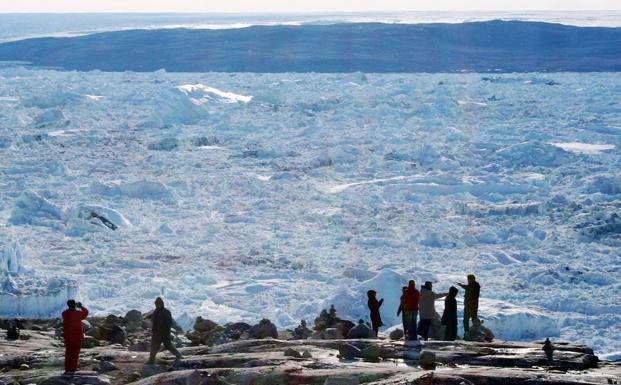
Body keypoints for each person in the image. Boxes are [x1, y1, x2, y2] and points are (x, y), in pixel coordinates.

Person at [148, 297, 183, 364]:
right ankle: (151, 360)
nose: (156, 305)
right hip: (156, 333)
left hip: (164, 333)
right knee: (154, 346)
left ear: (161, 304)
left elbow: (169, 323)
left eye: (157, 304)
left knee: (168, 345)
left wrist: (163, 330)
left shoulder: (166, 312)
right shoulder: (156, 311)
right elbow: (154, 320)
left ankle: (178, 355)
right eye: (156, 304)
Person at [62, 300, 89, 374]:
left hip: (68, 337)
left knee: (68, 353)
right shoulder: (78, 313)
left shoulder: (65, 313)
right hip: (77, 337)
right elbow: (86, 313)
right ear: (74, 305)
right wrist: (81, 307)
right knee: (75, 353)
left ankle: (67, 369)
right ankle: (73, 368)